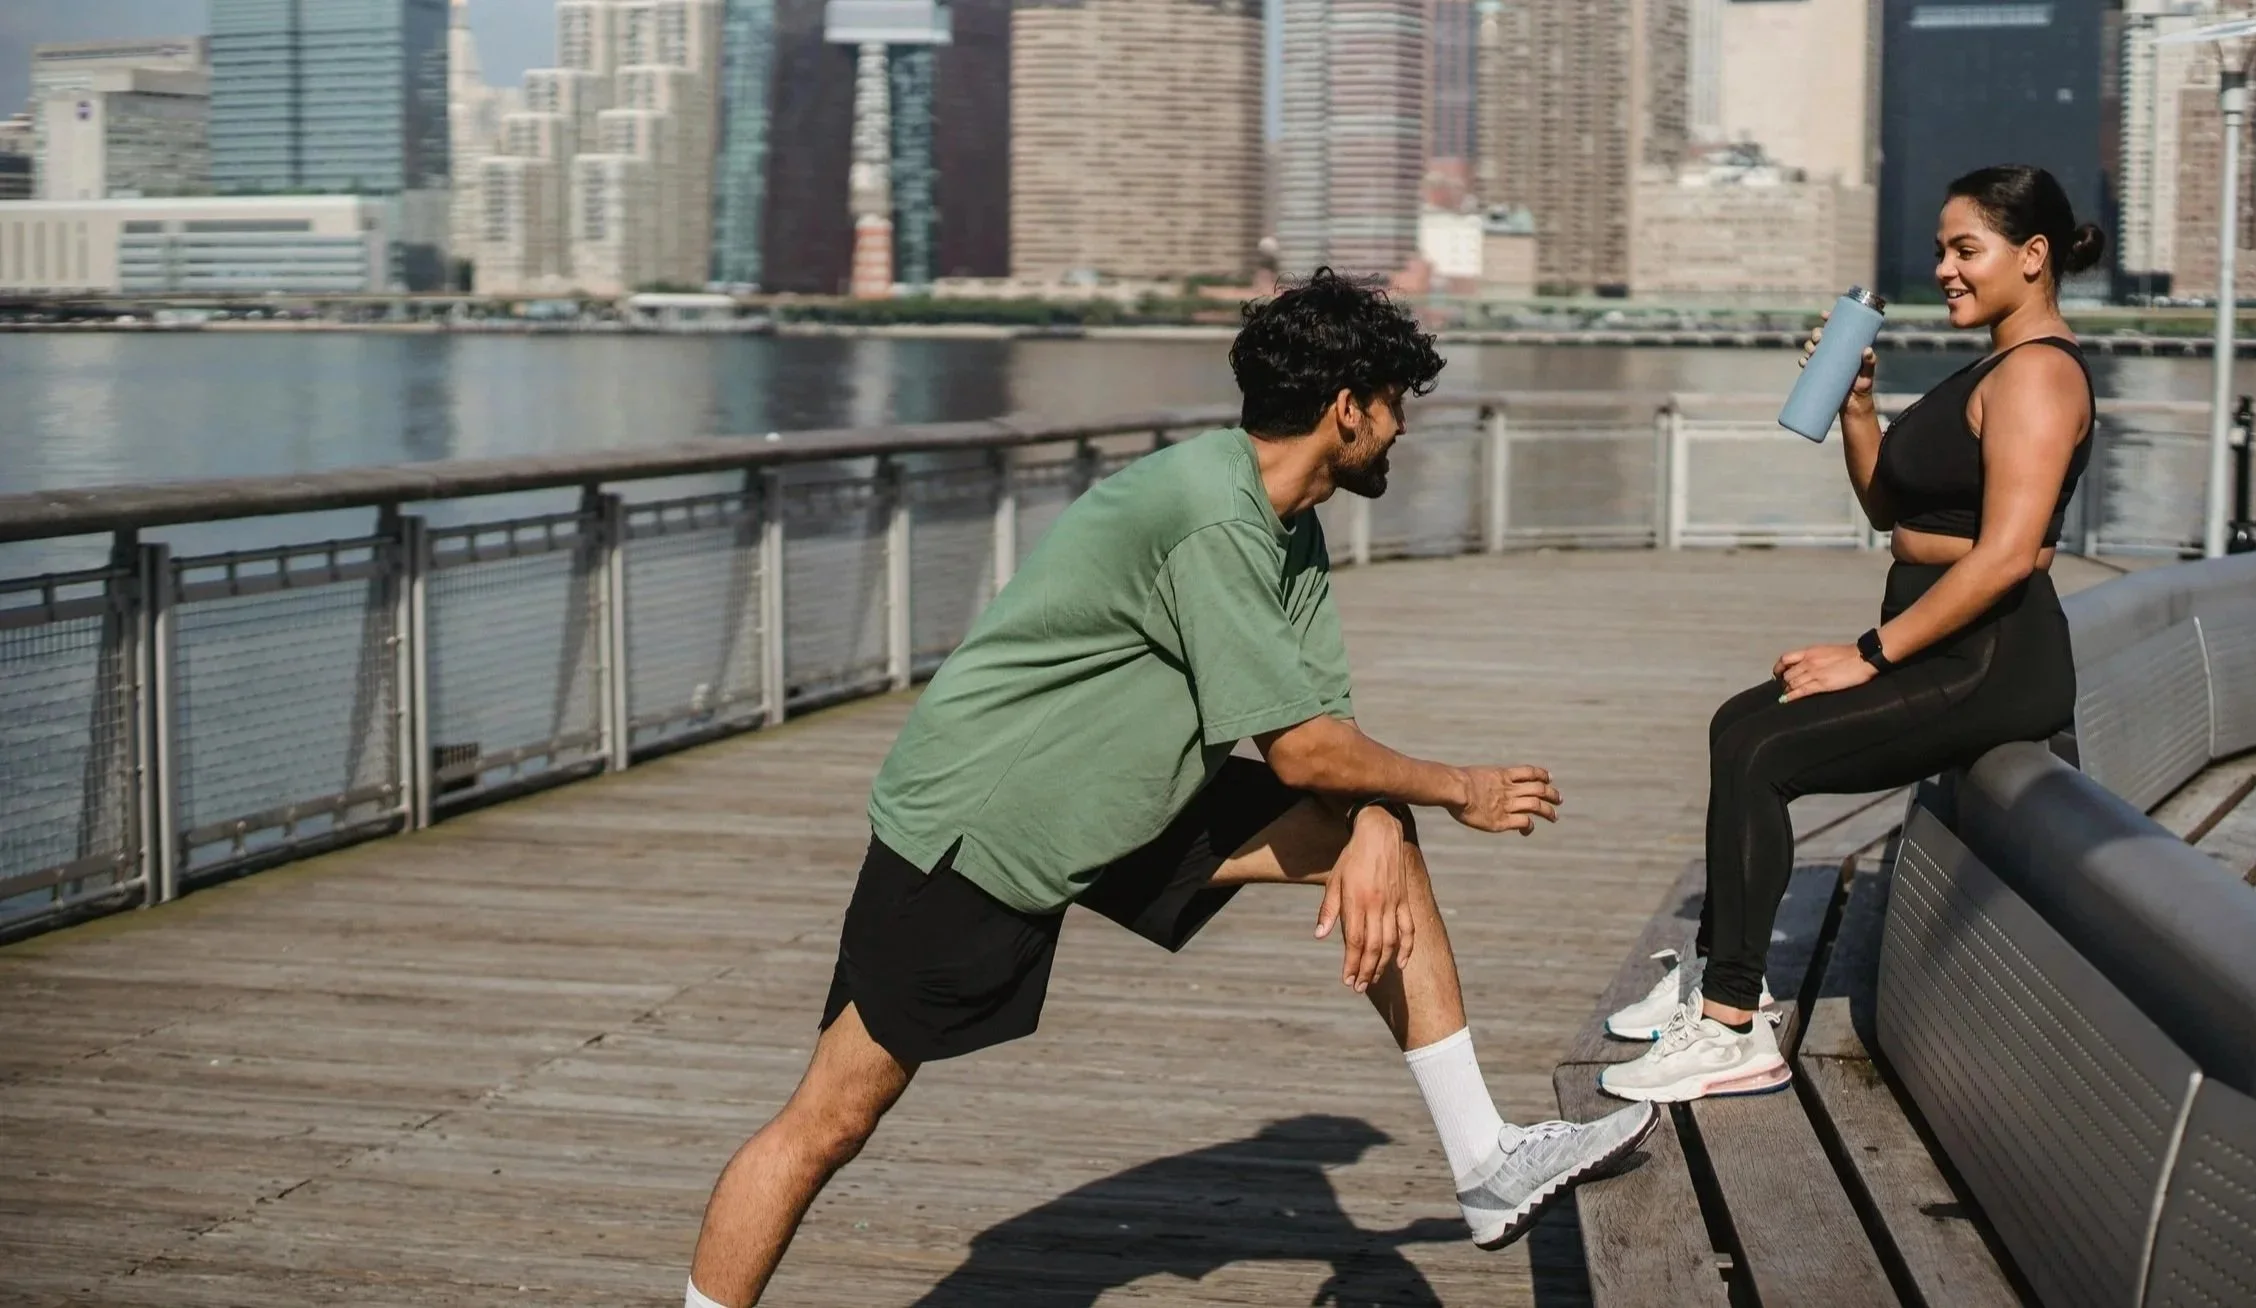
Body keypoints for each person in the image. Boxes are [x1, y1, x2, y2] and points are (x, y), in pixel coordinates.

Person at [683, 269, 1659, 1308]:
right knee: (828, 1122)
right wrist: (1457, 786)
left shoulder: (1290, 521)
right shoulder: (1210, 515)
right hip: (981, 827)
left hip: (1124, 798)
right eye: (1393, 405)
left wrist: (1380, 813)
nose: (1401, 429)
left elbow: (1325, 737)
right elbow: (1301, 755)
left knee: (1381, 846)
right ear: (1346, 409)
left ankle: (1482, 1165)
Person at [1599, 164, 2103, 1104]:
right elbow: (1891, 512)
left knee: (1764, 753)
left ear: (2033, 257)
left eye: (1966, 249)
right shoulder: (1993, 364)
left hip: (1993, 660)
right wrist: (1860, 408)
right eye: (1941, 251)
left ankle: (1732, 1030)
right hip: (1950, 644)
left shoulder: (2039, 374)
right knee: (1737, 726)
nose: (1944, 269)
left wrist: (1866, 656)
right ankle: (1715, 987)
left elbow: (2002, 558)